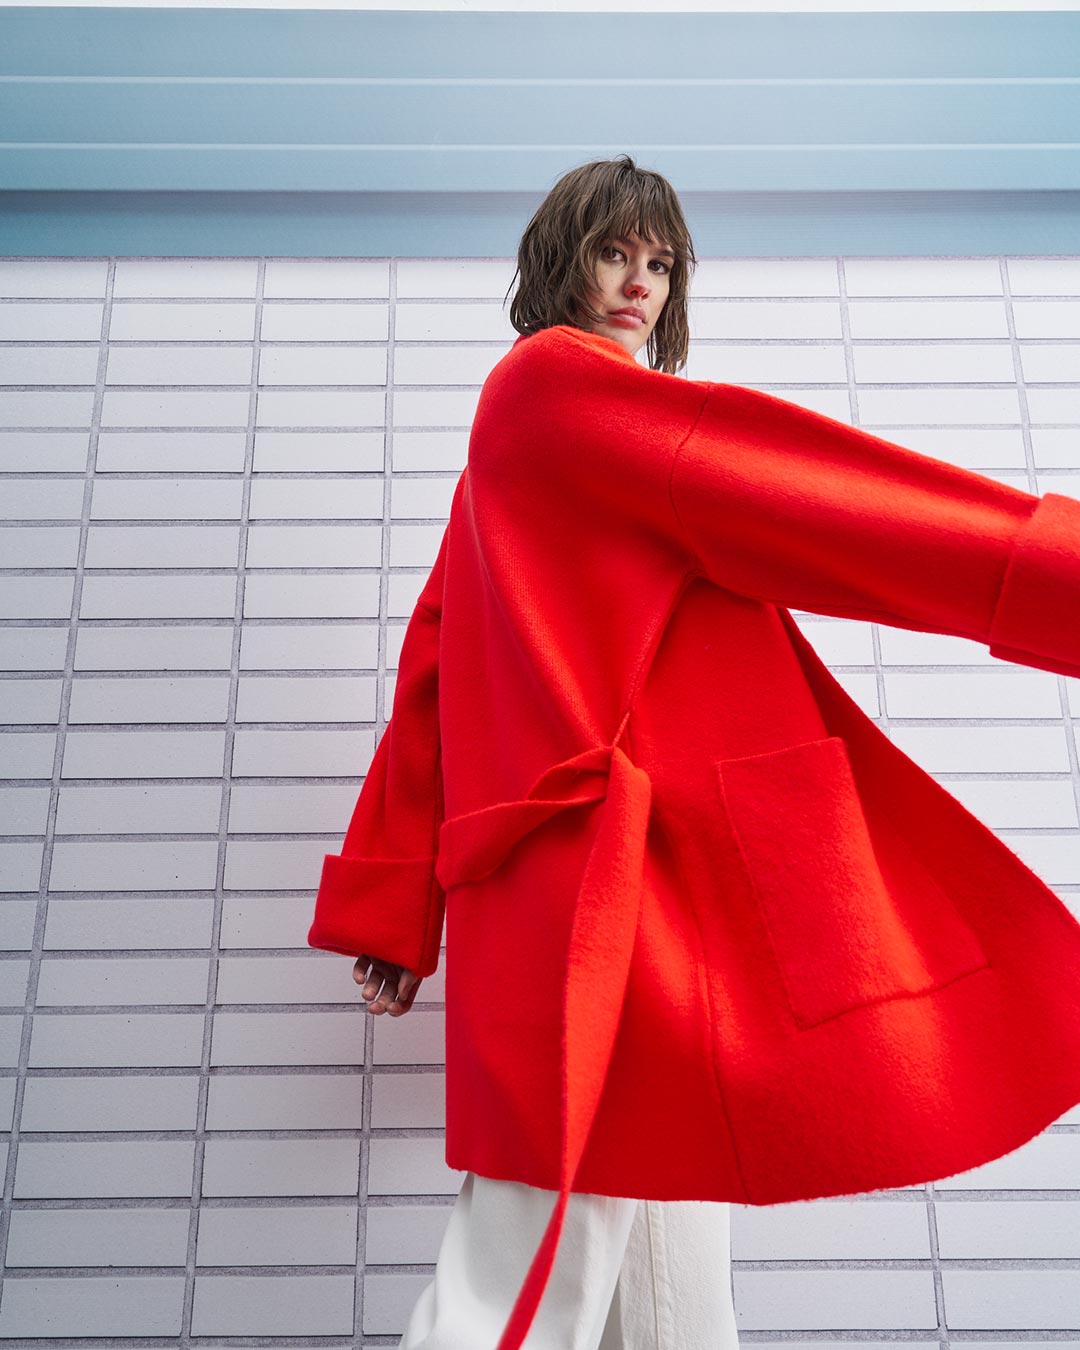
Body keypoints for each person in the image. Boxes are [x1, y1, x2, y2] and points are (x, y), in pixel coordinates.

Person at [309, 155, 1080, 1349]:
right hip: (591, 898)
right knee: (525, 1275)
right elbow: (820, 497)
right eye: (613, 253)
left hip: (637, 898)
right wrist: (1051, 571)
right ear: (559, 264)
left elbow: (433, 676)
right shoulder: (558, 390)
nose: (639, 284)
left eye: (660, 263)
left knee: (672, 1295)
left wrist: (395, 905)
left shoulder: (516, 449)